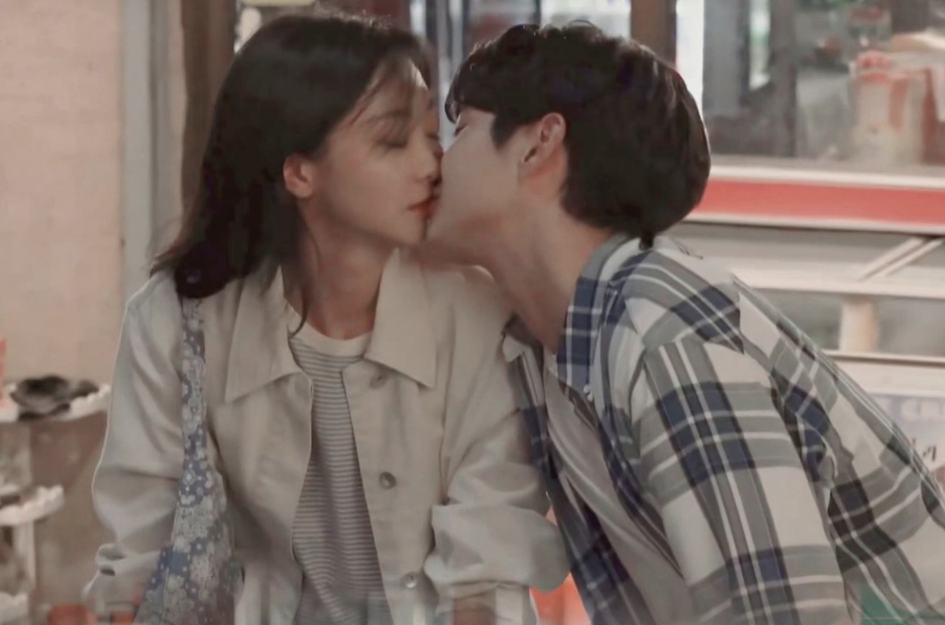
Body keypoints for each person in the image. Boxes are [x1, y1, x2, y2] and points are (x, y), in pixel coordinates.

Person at [424, 22, 945, 625]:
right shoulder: (550, 344)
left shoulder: (662, 335)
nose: (436, 162)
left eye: (461, 130)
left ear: (539, 144)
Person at [88, 13, 567, 625]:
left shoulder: (482, 319)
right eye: (393, 140)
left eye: (432, 136)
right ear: (298, 172)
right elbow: (145, 556)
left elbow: (487, 570)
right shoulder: (178, 324)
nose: (431, 165)